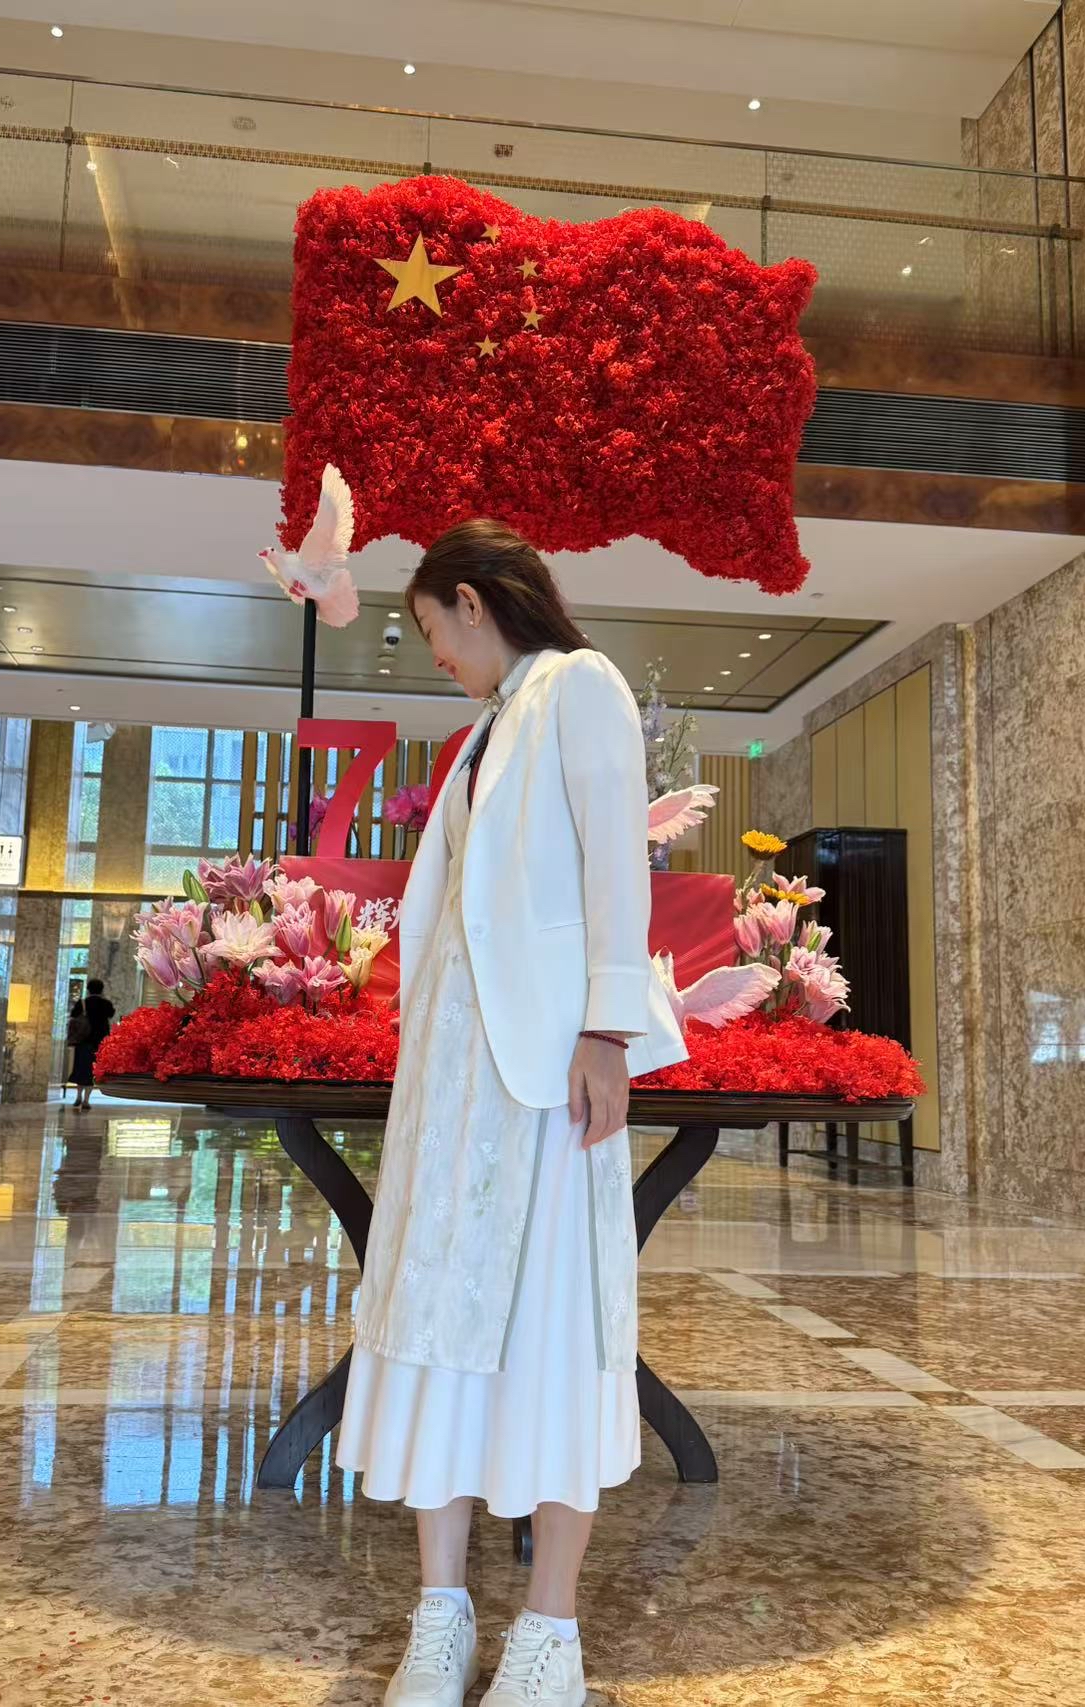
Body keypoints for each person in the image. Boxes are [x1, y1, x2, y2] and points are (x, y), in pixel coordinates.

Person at [336, 520, 687, 1706]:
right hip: (450, 1091)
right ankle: (439, 1617)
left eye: (430, 628)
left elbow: (613, 867)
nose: (432, 653)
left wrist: (605, 1030)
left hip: (542, 1079)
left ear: (473, 600)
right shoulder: (484, 732)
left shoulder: (576, 688)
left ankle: (549, 1632)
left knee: (552, 1332)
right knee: (431, 1320)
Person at [67, 978, 115, 1111]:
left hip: (83, 1041)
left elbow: (73, 1015)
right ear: (102, 990)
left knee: (81, 1069)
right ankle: (86, 1100)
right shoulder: (106, 1004)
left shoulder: (82, 1003)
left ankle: (78, 1096)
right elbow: (111, 1014)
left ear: (88, 990)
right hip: (99, 1043)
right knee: (92, 1071)